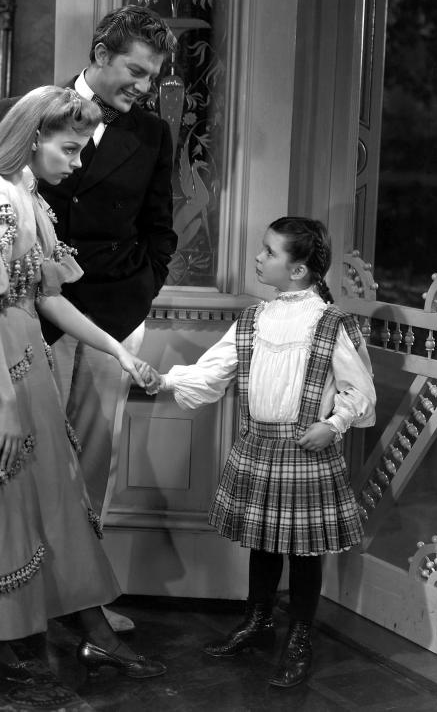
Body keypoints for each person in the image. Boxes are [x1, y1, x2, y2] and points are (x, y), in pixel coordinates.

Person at [0, 85, 165, 678]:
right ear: (33, 138)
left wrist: (116, 352)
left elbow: (46, 297)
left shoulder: (28, 195)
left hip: (21, 351)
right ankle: (1, 638)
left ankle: (29, 634)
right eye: (70, 150)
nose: (76, 164)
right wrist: (3, 401)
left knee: (44, 496)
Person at [0, 5, 178, 633]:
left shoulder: (152, 134)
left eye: (152, 77)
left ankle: (80, 595)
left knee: (91, 462)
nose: (144, 87)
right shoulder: (29, 111)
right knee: (22, 454)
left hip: (111, 314)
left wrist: (140, 294)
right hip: (25, 312)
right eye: (135, 70)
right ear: (100, 52)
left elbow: (159, 228)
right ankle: (18, 590)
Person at [141, 217, 376, 688]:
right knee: (265, 542)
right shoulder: (253, 319)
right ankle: (259, 620)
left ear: (299, 270)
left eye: (270, 252)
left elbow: (359, 390)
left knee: (305, 551)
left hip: (305, 451)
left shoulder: (328, 323)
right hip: (259, 446)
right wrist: (164, 380)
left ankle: (301, 636)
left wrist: (333, 425)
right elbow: (213, 373)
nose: (259, 258)